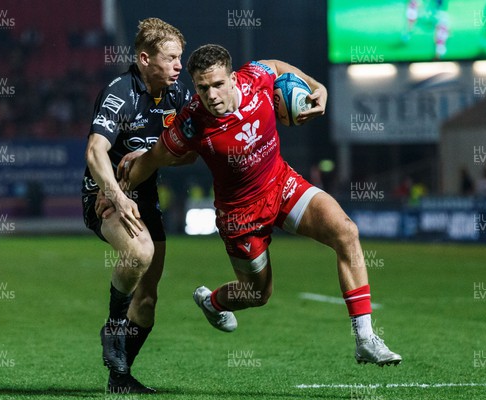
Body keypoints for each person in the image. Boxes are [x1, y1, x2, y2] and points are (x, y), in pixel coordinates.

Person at [120, 44, 402, 366]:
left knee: (346, 232)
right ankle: (213, 303)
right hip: (240, 215)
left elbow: (278, 64)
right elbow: (155, 158)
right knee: (257, 294)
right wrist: (118, 192)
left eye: (217, 84)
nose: (211, 95)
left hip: (281, 184)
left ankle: (365, 338)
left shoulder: (255, 77)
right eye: (202, 87)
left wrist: (317, 87)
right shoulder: (191, 122)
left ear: (233, 78)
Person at [81, 18, 193, 393]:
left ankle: (120, 377)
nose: (180, 65)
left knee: (146, 301)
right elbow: (96, 150)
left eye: (181, 57)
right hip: (104, 197)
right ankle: (113, 326)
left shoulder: (178, 96)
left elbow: (189, 155)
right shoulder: (119, 92)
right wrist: (114, 193)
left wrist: (150, 155)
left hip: (144, 196)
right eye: (172, 58)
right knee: (139, 250)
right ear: (145, 59)